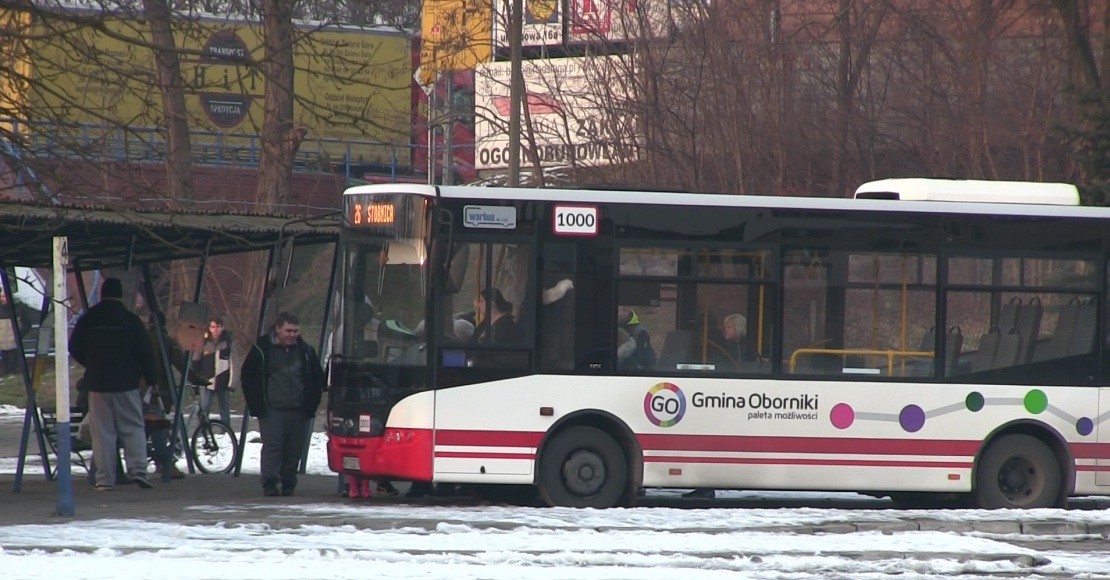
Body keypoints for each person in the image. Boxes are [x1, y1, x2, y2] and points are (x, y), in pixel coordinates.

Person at [68, 277, 159, 491]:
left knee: (102, 433)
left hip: (98, 384)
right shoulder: (131, 320)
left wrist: (90, 363)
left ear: (102, 294)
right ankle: (139, 471)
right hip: (127, 382)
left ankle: (104, 479)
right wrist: (151, 379)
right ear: (120, 295)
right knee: (133, 427)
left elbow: (74, 346)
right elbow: (145, 353)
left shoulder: (89, 319)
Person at [241, 311, 325, 497]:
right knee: (273, 446)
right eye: (288, 330)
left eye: (295, 331)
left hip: (299, 409)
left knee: (294, 449)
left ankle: (288, 481)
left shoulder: (305, 351)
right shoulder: (262, 349)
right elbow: (247, 376)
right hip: (272, 408)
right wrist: (256, 403)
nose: (292, 335)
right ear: (277, 329)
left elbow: (317, 377)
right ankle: (269, 482)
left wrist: (312, 402)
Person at [193, 316, 237, 427]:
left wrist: (232, 383)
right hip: (206, 382)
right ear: (209, 328)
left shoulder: (229, 343)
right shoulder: (203, 342)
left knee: (224, 410)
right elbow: (196, 362)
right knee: (204, 408)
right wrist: (195, 382)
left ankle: (226, 433)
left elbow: (235, 364)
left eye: (218, 327)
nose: (215, 330)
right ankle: (202, 432)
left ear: (222, 327)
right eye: (213, 327)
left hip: (223, 382)